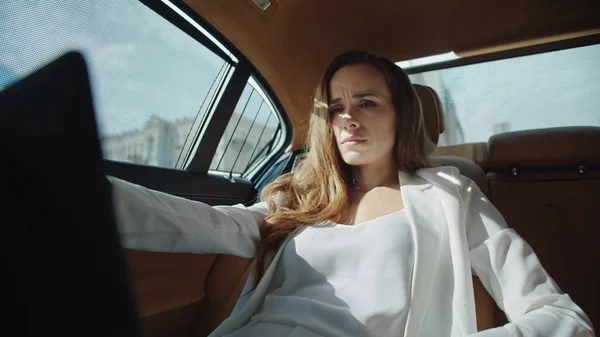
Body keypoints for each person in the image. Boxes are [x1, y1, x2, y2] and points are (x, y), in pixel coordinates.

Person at [109, 51, 595, 337]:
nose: (348, 118)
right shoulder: (296, 200)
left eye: (367, 102)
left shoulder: (451, 194)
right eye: (336, 106)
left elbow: (558, 317)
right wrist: (81, 189)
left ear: (401, 115)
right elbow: (194, 222)